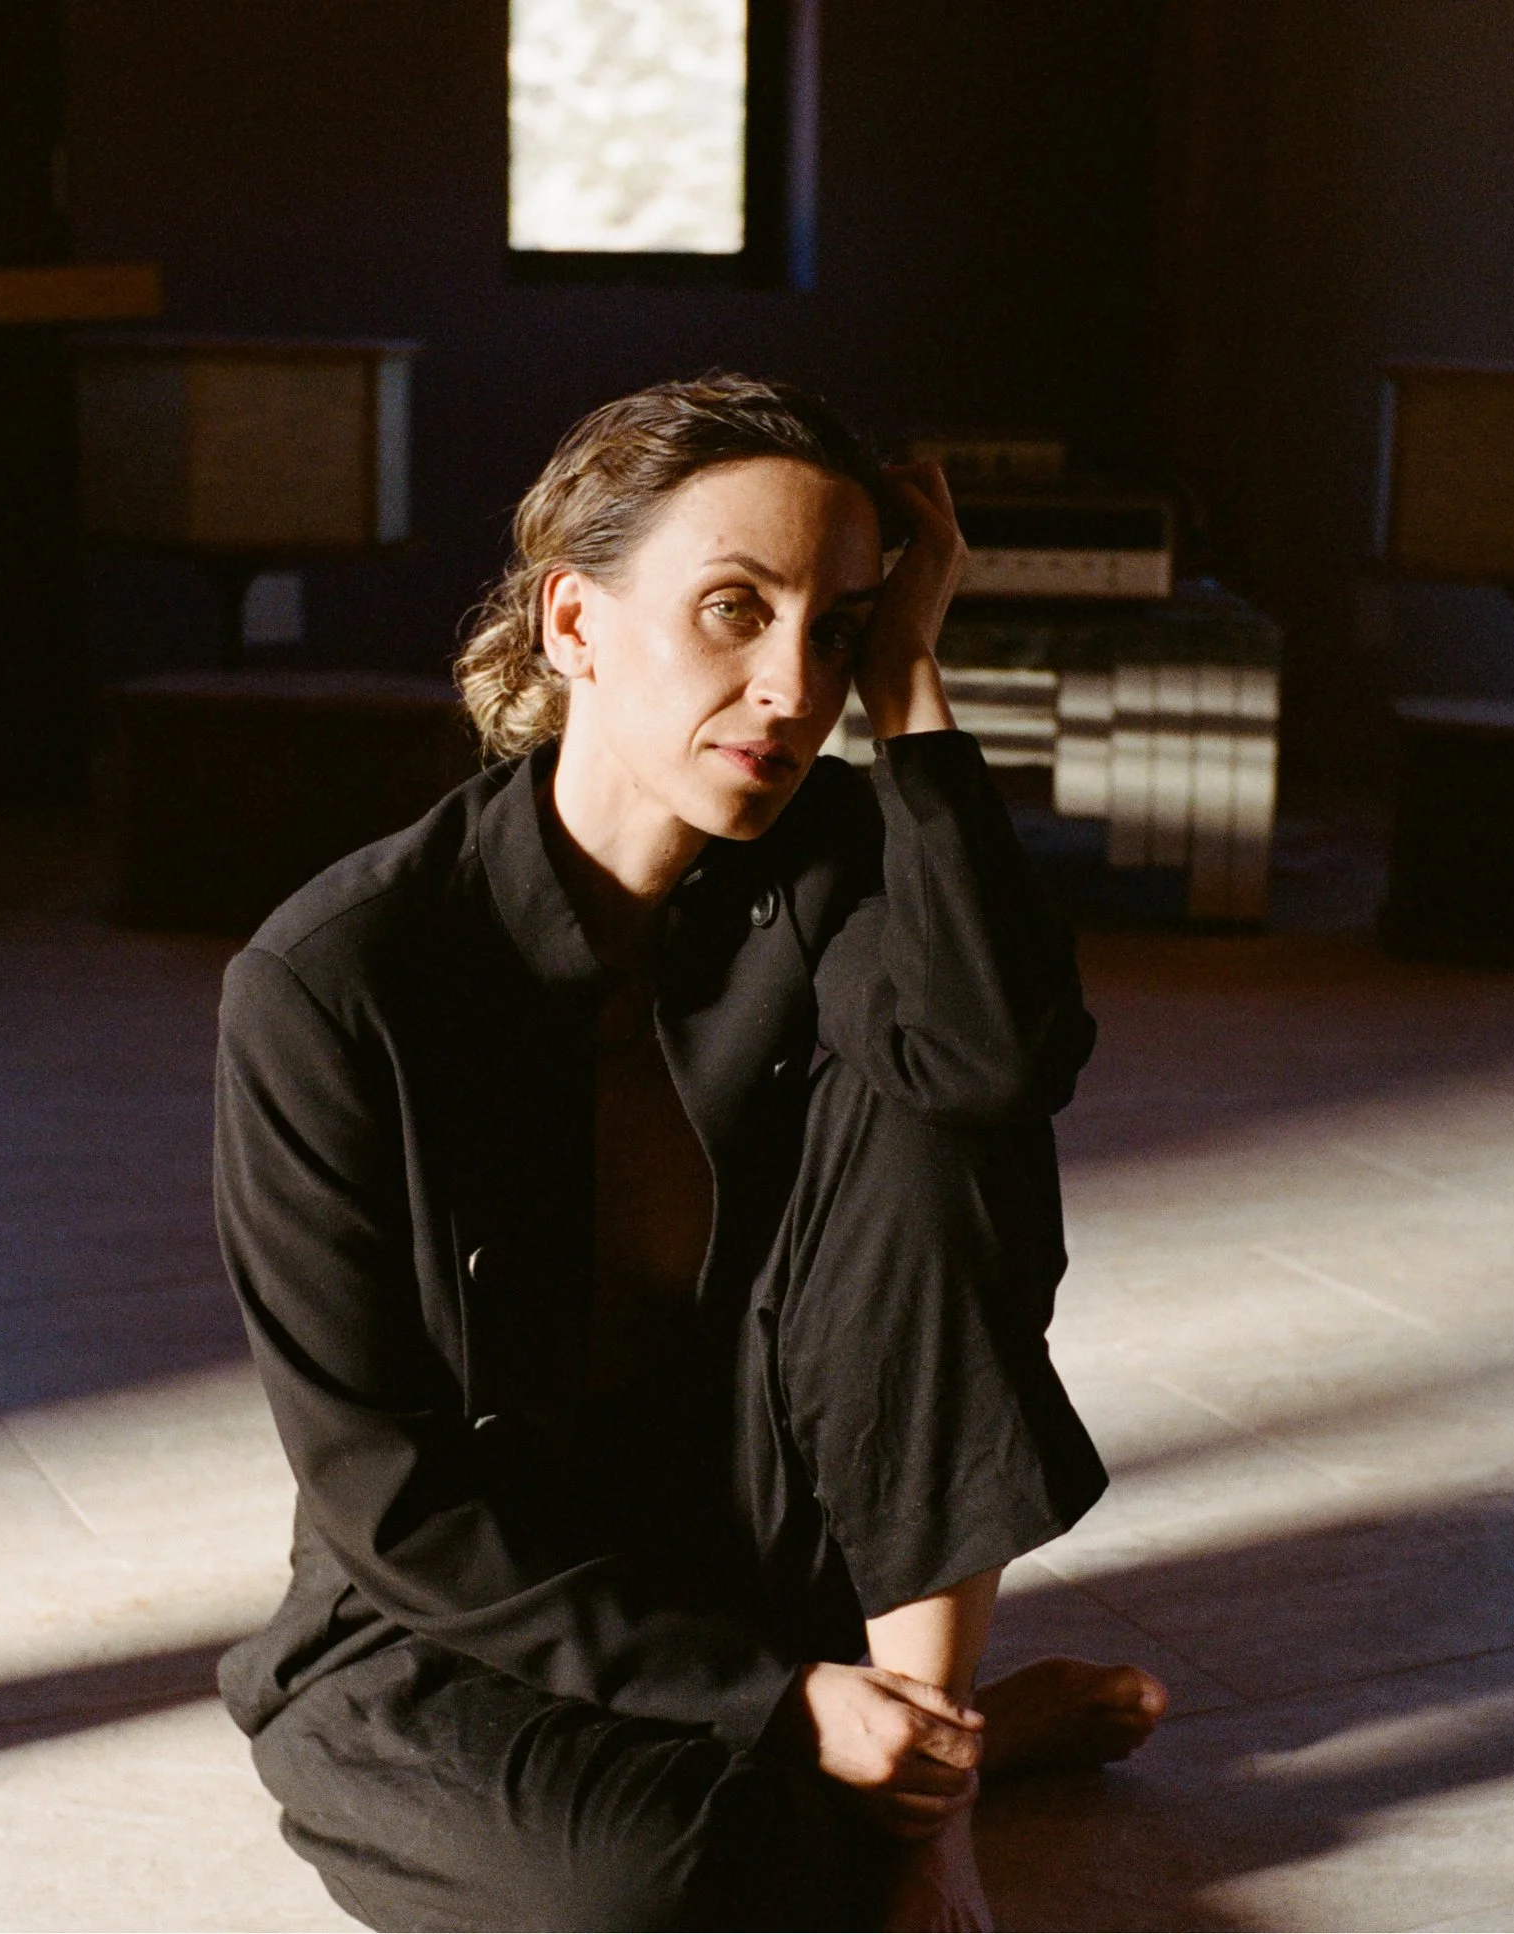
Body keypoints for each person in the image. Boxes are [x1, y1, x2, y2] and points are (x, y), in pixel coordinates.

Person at [211, 374, 1167, 1931]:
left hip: (745, 1552)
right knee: (643, 1893)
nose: (793, 686)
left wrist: (914, 683)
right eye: (735, 607)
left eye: (836, 627)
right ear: (574, 622)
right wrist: (777, 1701)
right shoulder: (339, 980)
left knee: (941, 1112)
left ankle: (928, 1793)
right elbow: (391, 1496)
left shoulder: (835, 861)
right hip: (453, 1625)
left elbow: (999, 1063)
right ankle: (938, 1740)